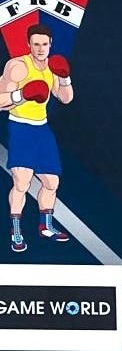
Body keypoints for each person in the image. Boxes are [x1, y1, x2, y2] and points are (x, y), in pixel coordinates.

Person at [0, 23, 74, 252]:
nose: (40, 49)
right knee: (22, 182)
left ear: (50, 45)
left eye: (44, 44)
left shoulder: (52, 68)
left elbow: (66, 98)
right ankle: (16, 231)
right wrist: (22, 95)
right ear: (28, 45)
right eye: (36, 44)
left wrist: (64, 78)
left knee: (52, 182)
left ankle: (46, 226)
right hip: (21, 128)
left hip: (42, 129)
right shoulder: (17, 67)